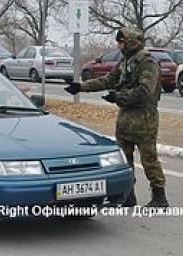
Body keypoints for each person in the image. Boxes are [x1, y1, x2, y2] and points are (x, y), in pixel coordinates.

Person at [65, 26, 168, 208]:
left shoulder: (149, 64)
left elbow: (144, 92)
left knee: (149, 159)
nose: (119, 46)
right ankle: (128, 196)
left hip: (144, 119)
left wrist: (118, 97)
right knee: (124, 159)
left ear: (131, 42)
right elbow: (108, 80)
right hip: (125, 118)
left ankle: (159, 198)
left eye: (121, 42)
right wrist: (80, 87)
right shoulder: (125, 62)